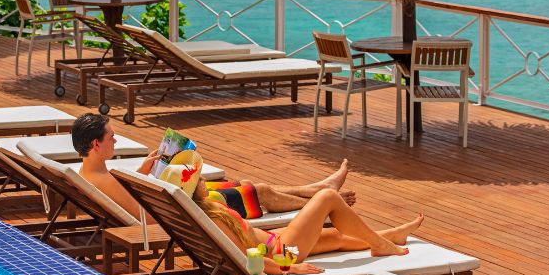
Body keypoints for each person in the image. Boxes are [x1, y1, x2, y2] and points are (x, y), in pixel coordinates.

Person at [71, 113, 356, 224]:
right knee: (261, 192)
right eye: (111, 136)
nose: (115, 139)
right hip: (181, 211)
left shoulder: (91, 173)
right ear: (96, 144)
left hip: (172, 200)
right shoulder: (103, 180)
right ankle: (326, 200)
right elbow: (146, 214)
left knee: (243, 183)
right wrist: (177, 185)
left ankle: (321, 189)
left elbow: (132, 199)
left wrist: (147, 172)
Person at [163, 161, 421, 275]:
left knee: (338, 237)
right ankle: (382, 244)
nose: (206, 179)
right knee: (328, 198)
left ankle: (391, 236)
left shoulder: (205, 207)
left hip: (279, 241)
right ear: (193, 189)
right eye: (200, 179)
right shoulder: (213, 220)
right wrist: (290, 267)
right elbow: (245, 258)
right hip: (281, 254)